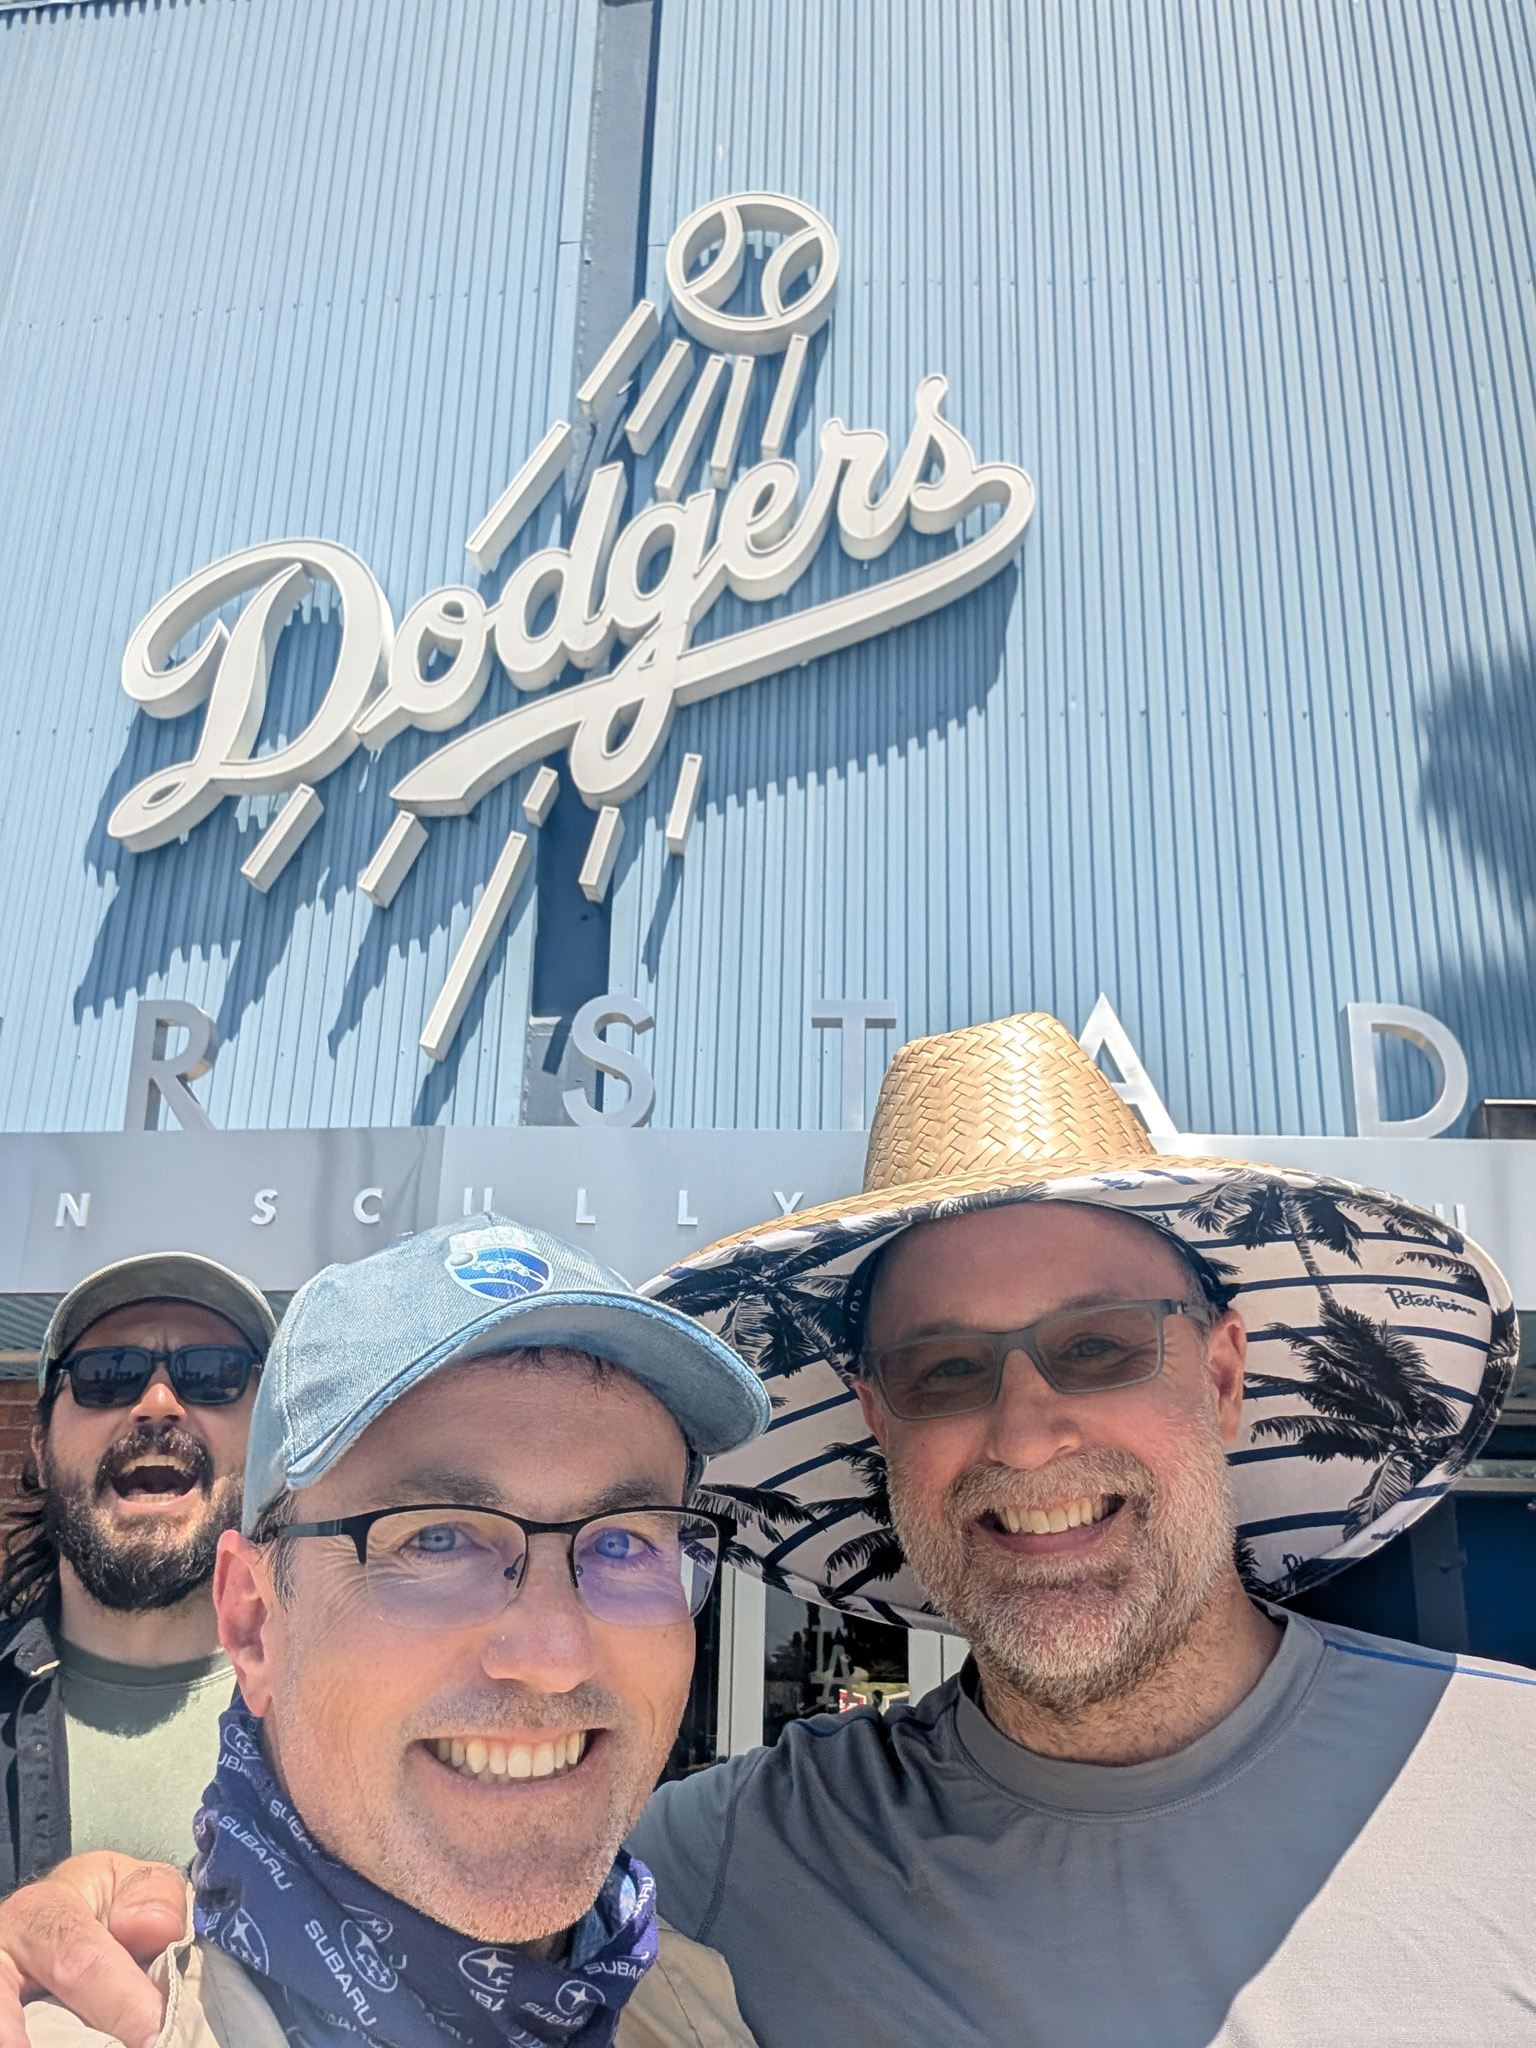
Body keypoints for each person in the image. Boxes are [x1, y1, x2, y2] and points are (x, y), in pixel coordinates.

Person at [5, 1015, 1534, 2043]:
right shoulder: (731, 1865)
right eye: (945, 1372)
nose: (1024, 1436)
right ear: (879, 1422)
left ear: (1223, 1371)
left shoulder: (1508, 1784)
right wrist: (70, 1927)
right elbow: (408, 1878)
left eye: (1098, 1346)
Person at [15, 1216, 764, 2048]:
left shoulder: (711, 2005)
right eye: (437, 1539)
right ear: (253, 1625)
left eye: (623, 1542)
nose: (555, 1656)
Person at [0, 1255, 276, 1884]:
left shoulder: (348, 1708)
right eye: (107, 1375)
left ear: (268, 1445)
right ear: (40, 1447)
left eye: (213, 1373)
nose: (157, 1404)